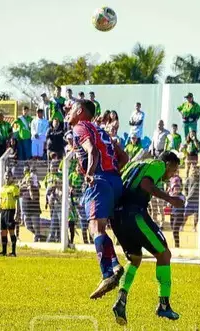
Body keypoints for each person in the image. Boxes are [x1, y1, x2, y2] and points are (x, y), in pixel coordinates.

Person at [66, 99, 128, 300]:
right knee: (101, 227)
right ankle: (115, 264)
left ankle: (107, 274)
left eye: (72, 108)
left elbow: (92, 150)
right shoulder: (101, 130)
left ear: (80, 111)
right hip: (114, 181)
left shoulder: (80, 127)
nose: (69, 112)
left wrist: (90, 172)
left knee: (95, 228)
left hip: (99, 181)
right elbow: (124, 157)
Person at [111, 152, 184, 325]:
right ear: (167, 163)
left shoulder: (134, 165)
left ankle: (121, 300)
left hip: (117, 217)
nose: (172, 174)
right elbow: (145, 184)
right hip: (134, 213)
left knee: (135, 259)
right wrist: (171, 200)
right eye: (173, 169)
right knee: (164, 254)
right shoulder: (158, 164)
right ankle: (164, 305)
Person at [0, 172, 20, 257]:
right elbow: (1, 202)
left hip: (10, 211)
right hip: (3, 211)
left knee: (11, 231)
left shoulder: (14, 188)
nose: (7, 178)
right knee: (3, 232)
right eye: (5, 176)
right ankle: (4, 251)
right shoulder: (2, 188)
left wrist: (17, 212)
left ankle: (13, 252)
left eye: (8, 176)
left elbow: (17, 201)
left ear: (12, 177)